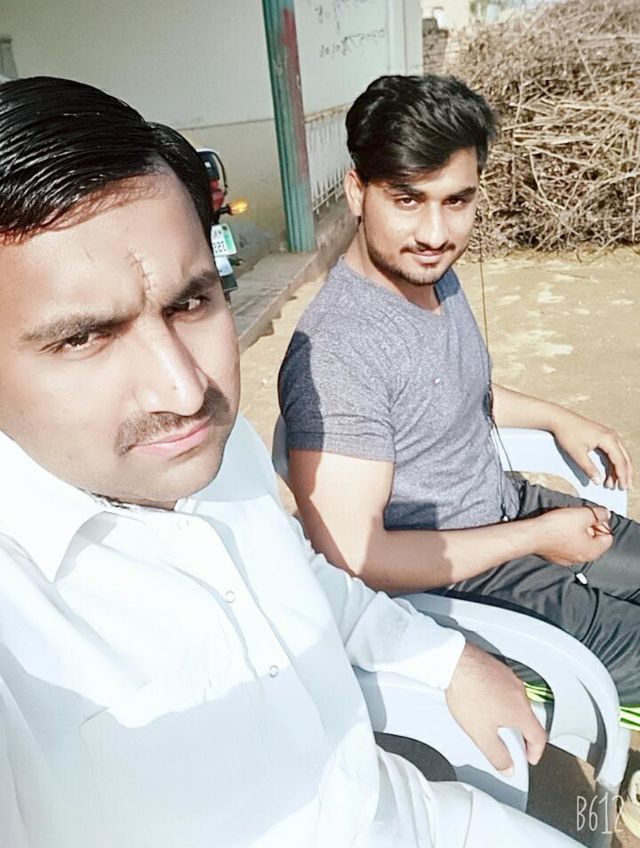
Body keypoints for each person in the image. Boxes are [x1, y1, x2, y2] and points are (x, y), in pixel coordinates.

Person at [0, 75, 584, 848]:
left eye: (191, 303)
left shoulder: (218, 452)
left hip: (416, 816)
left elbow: (305, 575)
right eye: (83, 338)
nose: (186, 390)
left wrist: (446, 659)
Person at [278, 74, 640, 706]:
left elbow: (449, 389)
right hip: (459, 584)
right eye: (408, 199)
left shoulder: (431, 275)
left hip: (513, 508)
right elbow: (357, 558)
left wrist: (557, 418)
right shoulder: (339, 351)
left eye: (456, 201)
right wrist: (536, 538)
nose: (435, 232)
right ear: (358, 192)